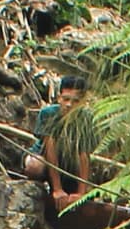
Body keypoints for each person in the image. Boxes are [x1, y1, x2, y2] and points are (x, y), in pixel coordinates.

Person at [23, 76, 101, 221]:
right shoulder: (48, 114)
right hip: (45, 159)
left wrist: (81, 193)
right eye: (66, 99)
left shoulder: (86, 119)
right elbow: (49, 148)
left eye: (75, 101)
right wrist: (57, 189)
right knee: (34, 166)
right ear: (59, 98)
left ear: (83, 102)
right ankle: (42, 190)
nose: (69, 104)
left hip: (69, 163)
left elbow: (84, 154)